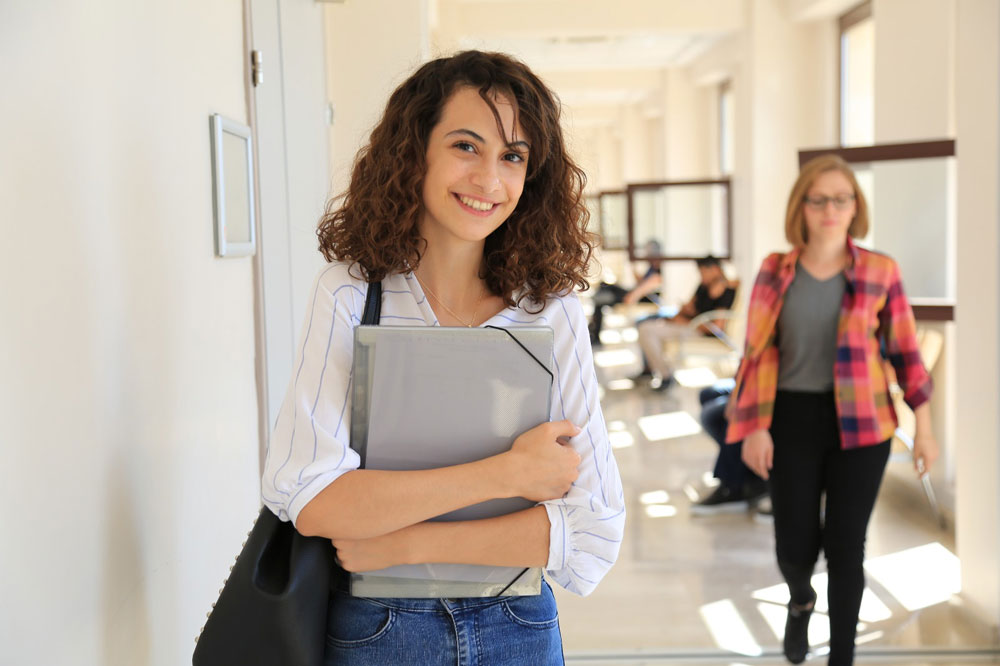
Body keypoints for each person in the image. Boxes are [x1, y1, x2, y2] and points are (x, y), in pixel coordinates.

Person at [261, 51, 625, 666]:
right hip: (377, 631)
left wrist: (396, 541)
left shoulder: (548, 309)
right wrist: (507, 476)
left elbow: (593, 531)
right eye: (465, 145)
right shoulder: (352, 293)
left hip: (519, 626)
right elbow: (310, 497)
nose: (489, 179)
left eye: (513, 156)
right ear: (415, 153)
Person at [726, 154, 938, 665]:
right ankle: (800, 601)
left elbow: (906, 354)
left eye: (841, 199)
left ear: (854, 207)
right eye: (818, 199)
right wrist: (754, 426)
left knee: (847, 547)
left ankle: (841, 656)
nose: (829, 209)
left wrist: (925, 430)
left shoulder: (880, 271)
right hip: (790, 420)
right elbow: (754, 354)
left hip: (864, 425)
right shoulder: (774, 270)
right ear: (802, 206)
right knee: (794, 549)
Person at [634, 255, 737, 390]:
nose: (701, 276)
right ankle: (654, 370)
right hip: (689, 323)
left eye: (702, 272)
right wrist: (683, 311)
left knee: (646, 329)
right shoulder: (704, 286)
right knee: (644, 322)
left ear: (715, 269)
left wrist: (685, 322)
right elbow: (692, 306)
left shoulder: (727, 291)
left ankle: (665, 375)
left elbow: (717, 328)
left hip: (698, 330)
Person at [690, 380, 768, 515]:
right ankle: (748, 477)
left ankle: (732, 486)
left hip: (762, 385)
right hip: (745, 380)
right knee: (707, 395)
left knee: (716, 415)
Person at [587, 239, 663, 345]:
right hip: (637, 294)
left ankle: (593, 332)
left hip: (643, 298)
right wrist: (633, 269)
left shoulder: (658, 270)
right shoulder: (652, 267)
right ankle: (596, 304)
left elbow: (648, 286)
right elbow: (642, 283)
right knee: (604, 286)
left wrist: (633, 295)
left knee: (601, 299)